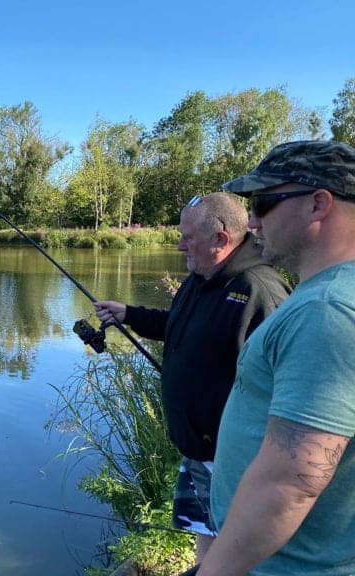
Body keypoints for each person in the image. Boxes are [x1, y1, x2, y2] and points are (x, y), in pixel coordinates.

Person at [94, 192, 290, 563]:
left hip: (234, 460)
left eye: (188, 237)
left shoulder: (258, 292)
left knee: (239, 555)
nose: (179, 244)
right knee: (206, 538)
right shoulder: (201, 277)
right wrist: (129, 314)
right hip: (200, 452)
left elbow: (286, 385)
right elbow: (182, 327)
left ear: (221, 238)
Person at [196, 140, 355, 576]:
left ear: (318, 204)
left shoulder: (325, 312)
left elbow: (292, 482)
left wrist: (214, 571)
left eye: (264, 202)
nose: (251, 220)